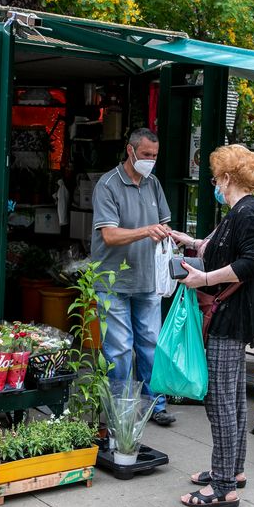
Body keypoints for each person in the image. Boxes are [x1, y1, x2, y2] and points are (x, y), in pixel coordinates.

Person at [168, 144, 254, 507]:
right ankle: (234, 469)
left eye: (215, 177)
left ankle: (224, 486)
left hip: (231, 316)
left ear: (228, 178)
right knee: (230, 399)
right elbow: (225, 249)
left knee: (222, 401)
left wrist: (205, 278)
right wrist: (190, 242)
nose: (214, 183)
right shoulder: (240, 211)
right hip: (231, 314)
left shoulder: (247, 212)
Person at [90, 128, 176, 426]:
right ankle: (121, 406)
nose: (151, 161)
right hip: (112, 281)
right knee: (120, 348)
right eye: (146, 155)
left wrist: (186, 241)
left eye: (155, 155)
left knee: (152, 343)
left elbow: (164, 226)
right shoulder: (108, 185)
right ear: (130, 150)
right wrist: (145, 230)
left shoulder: (153, 184)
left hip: (147, 279)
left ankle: (156, 403)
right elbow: (110, 235)